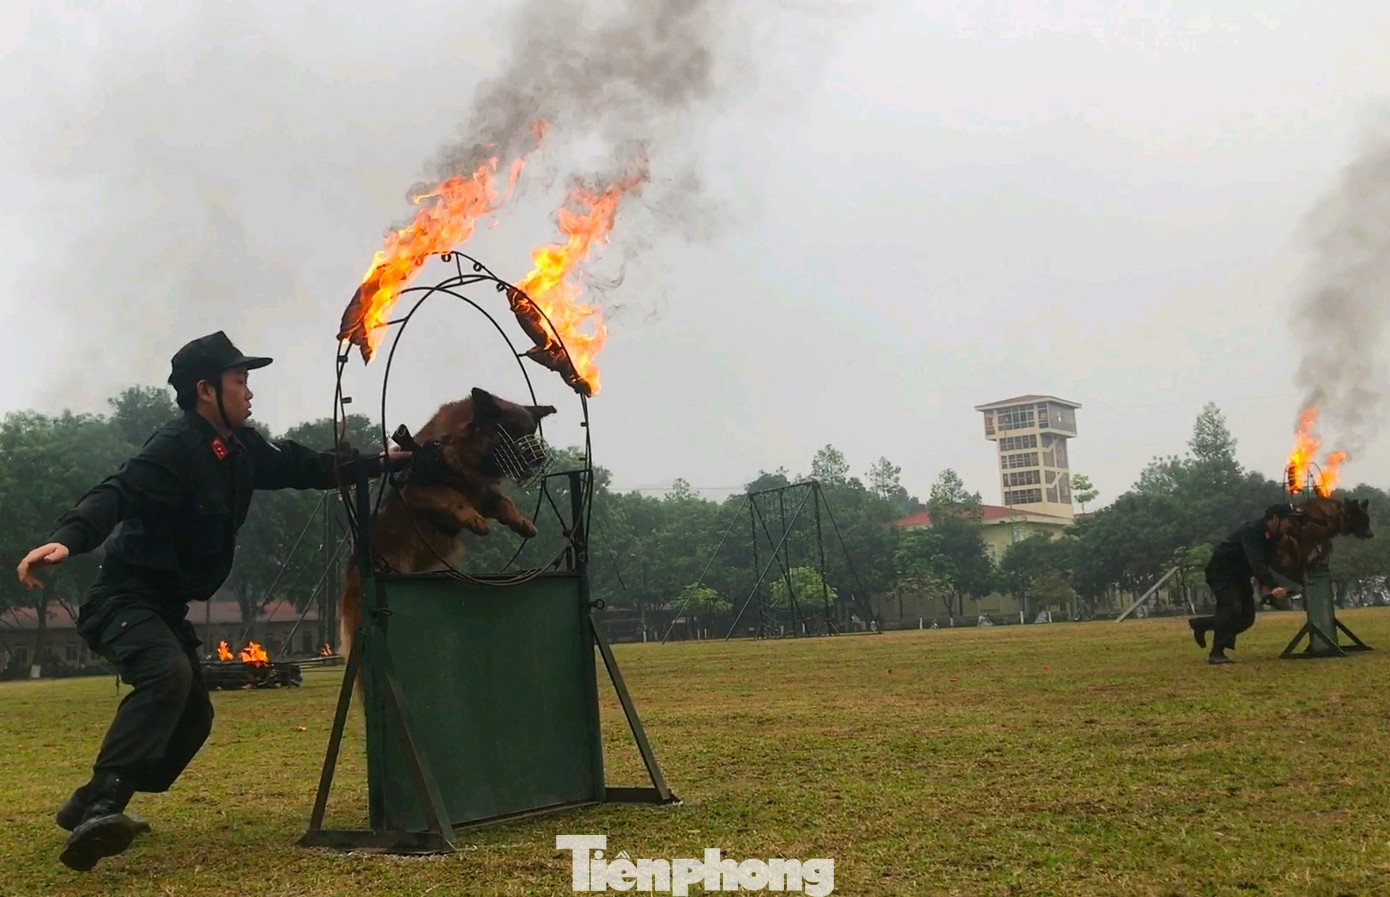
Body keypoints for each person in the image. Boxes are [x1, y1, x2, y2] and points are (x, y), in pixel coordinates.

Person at [14, 331, 408, 872]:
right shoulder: (173, 447)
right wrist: (69, 538)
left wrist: (383, 462)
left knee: (195, 717)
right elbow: (116, 491)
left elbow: (305, 467)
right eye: (239, 381)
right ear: (205, 390)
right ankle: (102, 806)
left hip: (165, 608)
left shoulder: (242, 449)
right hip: (123, 599)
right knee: (167, 677)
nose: (249, 392)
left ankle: (88, 802)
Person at [1188, 502, 1304, 665]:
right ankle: (1217, 653)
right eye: (1289, 520)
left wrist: (1278, 584)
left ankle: (1201, 625)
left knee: (1246, 618)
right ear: (1275, 519)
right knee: (1230, 608)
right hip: (1221, 571)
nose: (1291, 524)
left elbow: (1268, 563)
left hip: (1240, 575)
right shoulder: (1251, 531)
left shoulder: (1275, 537)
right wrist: (1272, 585)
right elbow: (1256, 561)